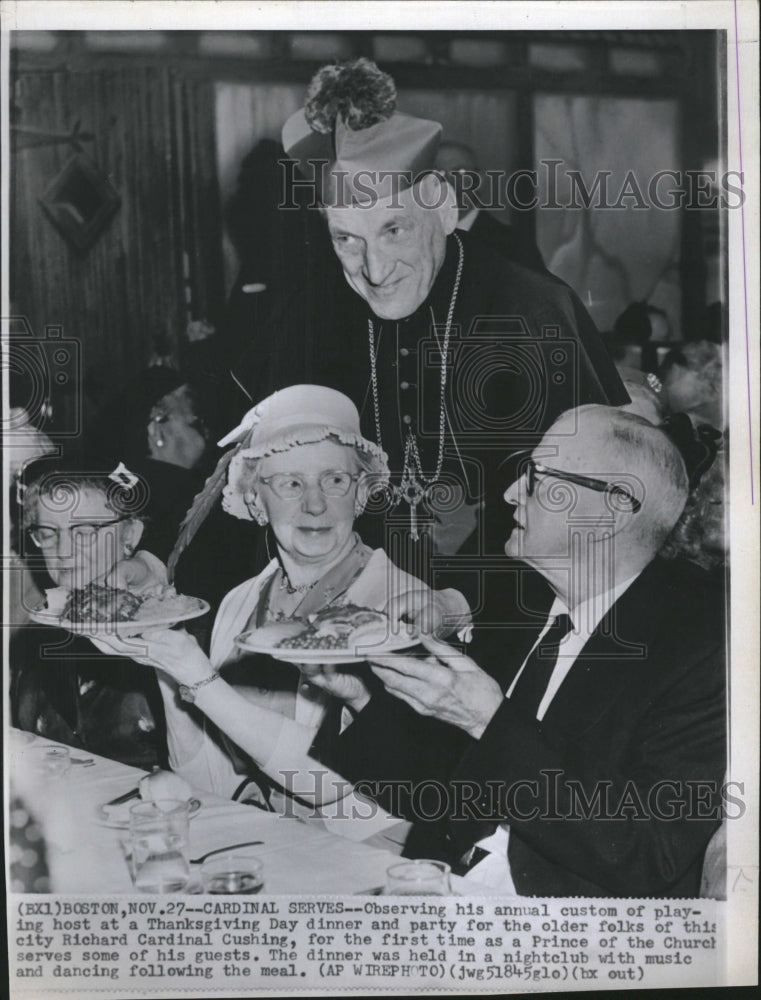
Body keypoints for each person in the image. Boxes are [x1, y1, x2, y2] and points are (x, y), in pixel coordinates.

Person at [231, 58, 628, 584]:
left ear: (442, 207)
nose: (373, 270)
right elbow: (263, 482)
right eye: (346, 239)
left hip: (511, 605)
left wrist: (458, 601)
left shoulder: (532, 312)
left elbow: (591, 518)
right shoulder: (313, 312)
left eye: (394, 230)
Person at [322, 405, 725, 897]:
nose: (512, 493)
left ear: (615, 506)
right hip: (439, 888)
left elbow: (649, 852)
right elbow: (438, 787)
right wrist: (360, 696)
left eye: (537, 477)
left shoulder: (703, 651)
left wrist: (488, 722)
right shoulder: (526, 603)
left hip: (572, 939)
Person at [89, 386, 471, 815]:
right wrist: (167, 667)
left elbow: (335, 786)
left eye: (335, 480)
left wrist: (199, 678)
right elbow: (209, 782)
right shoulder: (241, 601)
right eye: (291, 483)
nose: (315, 504)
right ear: (256, 499)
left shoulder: (399, 609)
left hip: (364, 854)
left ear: (361, 493)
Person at [12, 460, 168, 769]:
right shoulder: (38, 633)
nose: (64, 551)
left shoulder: (168, 632)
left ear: (131, 534)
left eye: (84, 531)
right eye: (47, 533)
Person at [434, 139, 545, 273]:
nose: (449, 183)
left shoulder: (513, 246)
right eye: (439, 173)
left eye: (461, 173)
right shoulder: (416, 240)